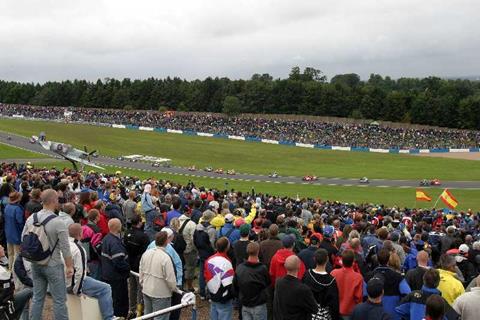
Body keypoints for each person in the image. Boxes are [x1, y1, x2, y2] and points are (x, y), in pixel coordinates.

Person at [22, 189, 73, 320]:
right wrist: (69, 266)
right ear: (53, 201)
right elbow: (65, 248)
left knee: (38, 298)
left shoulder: (31, 218)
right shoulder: (58, 222)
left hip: (35, 262)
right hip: (53, 264)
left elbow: (24, 238)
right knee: (59, 300)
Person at [66, 223, 114, 320]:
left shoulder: (63, 245)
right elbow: (80, 273)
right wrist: (78, 292)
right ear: (80, 234)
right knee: (106, 288)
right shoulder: (79, 249)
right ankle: (109, 317)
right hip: (73, 284)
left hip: (62, 282)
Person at [139, 231, 182, 320]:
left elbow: (141, 270)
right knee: (161, 317)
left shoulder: (146, 253)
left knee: (148, 315)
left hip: (146, 289)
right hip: (161, 294)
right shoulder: (166, 257)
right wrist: (174, 288)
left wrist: (142, 283)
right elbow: (170, 278)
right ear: (166, 241)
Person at [101, 218, 130, 318]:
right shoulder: (115, 243)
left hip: (107, 274)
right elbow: (118, 262)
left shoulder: (106, 239)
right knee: (120, 301)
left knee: (112, 300)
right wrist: (128, 268)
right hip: (117, 278)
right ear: (119, 227)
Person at [370, 248, 411, 320]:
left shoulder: (370, 276)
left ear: (377, 259)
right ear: (388, 260)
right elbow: (407, 293)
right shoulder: (398, 277)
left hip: (374, 313)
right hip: (393, 314)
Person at [233, 242, 270, 320]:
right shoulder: (262, 269)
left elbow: (235, 287)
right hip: (258, 305)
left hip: (246, 303)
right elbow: (268, 283)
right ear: (258, 251)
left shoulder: (240, 268)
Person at [273, 255, 317, 320]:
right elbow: (314, 309)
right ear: (299, 266)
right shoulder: (303, 289)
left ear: (285, 266)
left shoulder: (278, 282)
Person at [124, 214, 150, 318]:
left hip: (130, 264)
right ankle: (139, 311)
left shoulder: (127, 233)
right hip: (139, 265)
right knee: (140, 288)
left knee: (132, 287)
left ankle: (132, 309)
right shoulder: (143, 236)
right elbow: (146, 252)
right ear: (139, 222)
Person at [302, 248, 340, 320]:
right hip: (323, 316)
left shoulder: (307, 275)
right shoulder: (331, 281)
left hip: (309, 314)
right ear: (327, 259)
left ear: (314, 259)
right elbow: (334, 304)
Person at [204, 237, 235, 320]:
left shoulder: (209, 260)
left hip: (213, 294)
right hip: (223, 298)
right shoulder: (226, 262)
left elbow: (206, 277)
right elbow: (229, 283)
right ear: (227, 247)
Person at [0, 244, 32, 319]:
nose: (3, 248)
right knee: (30, 291)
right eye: (1, 248)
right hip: (6, 305)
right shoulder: (2, 272)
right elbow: (6, 295)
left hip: (8, 299)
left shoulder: (4, 263)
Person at [331, 250, 363, 319]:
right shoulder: (358, 277)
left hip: (335, 310)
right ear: (353, 262)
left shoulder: (333, 273)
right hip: (349, 312)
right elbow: (359, 298)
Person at [194, 210, 217, 299]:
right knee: (211, 274)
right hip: (209, 254)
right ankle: (210, 293)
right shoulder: (211, 230)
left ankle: (202, 292)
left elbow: (194, 240)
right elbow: (211, 243)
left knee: (202, 272)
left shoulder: (197, 227)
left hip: (201, 252)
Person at [177, 208, 197, 293]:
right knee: (190, 268)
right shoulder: (192, 224)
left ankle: (181, 284)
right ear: (189, 214)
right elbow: (193, 239)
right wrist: (195, 249)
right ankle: (189, 286)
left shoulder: (177, 221)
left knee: (180, 267)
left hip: (179, 248)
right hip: (189, 249)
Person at [4, 191, 24, 268]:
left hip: (8, 232)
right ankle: (15, 271)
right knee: (17, 254)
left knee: (10, 253)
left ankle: (10, 267)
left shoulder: (7, 206)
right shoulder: (17, 209)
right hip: (16, 233)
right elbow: (20, 222)